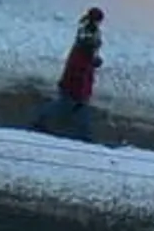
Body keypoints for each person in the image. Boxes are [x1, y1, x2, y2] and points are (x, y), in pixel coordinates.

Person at [31, 8, 105, 139]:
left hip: (78, 82)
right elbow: (81, 65)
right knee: (66, 105)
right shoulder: (87, 39)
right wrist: (93, 62)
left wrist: (93, 61)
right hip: (75, 83)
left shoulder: (87, 35)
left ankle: (83, 133)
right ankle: (83, 134)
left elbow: (88, 56)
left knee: (71, 106)